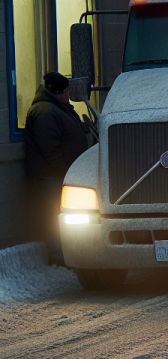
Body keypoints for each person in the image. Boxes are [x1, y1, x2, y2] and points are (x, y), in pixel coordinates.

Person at [25, 72, 90, 262]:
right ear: (59, 92)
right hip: (51, 175)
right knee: (57, 215)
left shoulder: (58, 107)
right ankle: (58, 256)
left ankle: (66, 254)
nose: (69, 94)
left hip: (61, 174)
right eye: (67, 90)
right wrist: (65, 171)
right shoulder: (45, 111)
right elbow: (50, 147)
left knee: (63, 214)